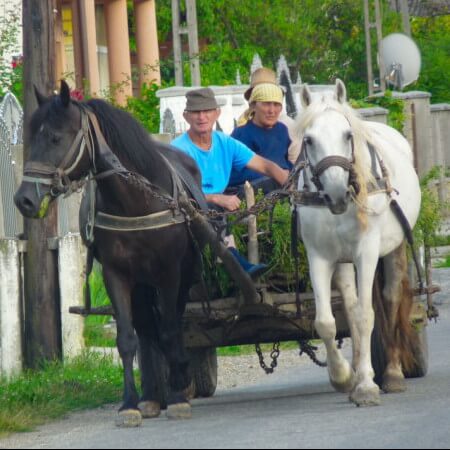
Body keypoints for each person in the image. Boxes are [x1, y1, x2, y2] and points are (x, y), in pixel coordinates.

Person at [171, 87, 289, 277]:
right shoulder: (177, 149)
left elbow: (266, 166)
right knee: (212, 206)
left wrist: (292, 187)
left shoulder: (225, 142)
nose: (202, 117)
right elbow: (176, 193)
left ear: (217, 113)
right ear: (186, 116)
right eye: (196, 112)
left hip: (224, 203)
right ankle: (237, 262)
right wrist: (217, 198)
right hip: (190, 207)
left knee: (271, 183)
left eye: (207, 111)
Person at [229, 82, 293, 194]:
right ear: (253, 106)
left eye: (276, 104)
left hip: (283, 190)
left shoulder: (282, 130)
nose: (272, 110)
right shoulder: (241, 134)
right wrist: (276, 173)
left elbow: (284, 161)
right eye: (266, 104)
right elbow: (234, 175)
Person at [237, 67, 301, 165]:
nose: (271, 110)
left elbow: (295, 161)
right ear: (253, 101)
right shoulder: (242, 127)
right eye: (265, 102)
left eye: (275, 104)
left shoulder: (285, 127)